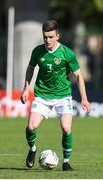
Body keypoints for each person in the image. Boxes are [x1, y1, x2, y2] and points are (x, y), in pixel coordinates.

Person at [21, 20, 91, 171]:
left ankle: (66, 162)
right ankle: (33, 149)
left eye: (51, 37)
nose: (47, 40)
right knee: (31, 127)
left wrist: (84, 98)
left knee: (66, 128)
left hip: (62, 96)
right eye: (45, 37)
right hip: (42, 95)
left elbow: (78, 76)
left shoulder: (67, 53)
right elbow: (30, 68)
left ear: (57, 36)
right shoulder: (38, 51)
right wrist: (26, 88)